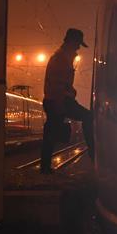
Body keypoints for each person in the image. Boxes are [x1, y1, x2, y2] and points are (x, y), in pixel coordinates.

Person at [40, 28, 94, 173]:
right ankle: (93, 156)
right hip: (58, 100)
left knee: (50, 134)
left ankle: (45, 168)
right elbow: (58, 85)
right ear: (71, 42)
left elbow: (63, 84)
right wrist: (61, 103)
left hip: (57, 100)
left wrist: (71, 91)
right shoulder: (61, 59)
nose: (78, 48)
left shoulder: (62, 57)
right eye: (77, 44)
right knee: (89, 117)